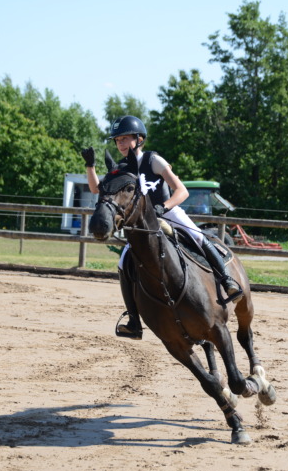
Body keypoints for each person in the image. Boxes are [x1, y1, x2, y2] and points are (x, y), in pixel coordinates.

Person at [81, 115, 243, 340]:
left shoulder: (153, 160)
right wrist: (90, 165)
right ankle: (134, 320)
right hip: (143, 224)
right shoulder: (121, 168)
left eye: (125, 139)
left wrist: (163, 207)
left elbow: (182, 190)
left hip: (168, 212)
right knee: (123, 263)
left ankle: (227, 280)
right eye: (117, 140)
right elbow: (97, 189)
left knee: (198, 238)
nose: (120, 144)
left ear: (139, 139)